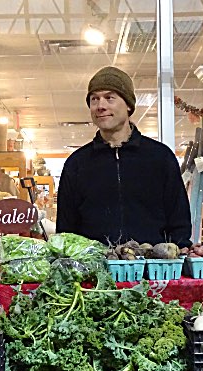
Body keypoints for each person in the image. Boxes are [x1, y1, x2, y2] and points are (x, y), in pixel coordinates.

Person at [56, 66, 192, 248]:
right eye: (94, 99)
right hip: (94, 269)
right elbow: (66, 230)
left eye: (109, 98)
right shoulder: (77, 164)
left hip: (151, 267)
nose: (100, 106)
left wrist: (177, 256)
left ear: (128, 104)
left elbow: (179, 219)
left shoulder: (160, 157)